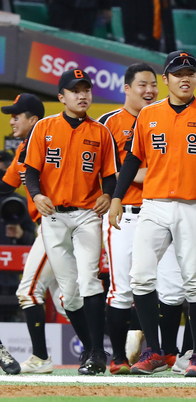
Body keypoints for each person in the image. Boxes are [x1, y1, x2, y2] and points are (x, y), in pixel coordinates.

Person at [109, 51, 196, 377]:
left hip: (194, 206)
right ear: (165, 79)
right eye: (178, 73)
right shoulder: (149, 114)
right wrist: (116, 197)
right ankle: (154, 351)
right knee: (140, 276)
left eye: (190, 73)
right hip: (154, 205)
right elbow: (132, 160)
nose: (185, 78)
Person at [25, 69, 118, 375]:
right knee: (69, 292)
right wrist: (36, 195)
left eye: (86, 90)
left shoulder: (101, 132)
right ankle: (91, 349)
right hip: (53, 217)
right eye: (75, 90)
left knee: (89, 278)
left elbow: (109, 175)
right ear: (61, 96)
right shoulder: (44, 127)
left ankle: (96, 353)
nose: (82, 95)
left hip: (86, 215)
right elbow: (31, 171)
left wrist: (109, 194)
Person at [97, 62, 185, 375]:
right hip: (126, 213)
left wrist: (150, 173)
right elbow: (111, 170)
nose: (149, 90)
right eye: (142, 85)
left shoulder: (165, 117)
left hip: (161, 211)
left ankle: (168, 352)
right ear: (127, 88)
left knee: (172, 286)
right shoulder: (109, 122)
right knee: (122, 287)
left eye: (152, 85)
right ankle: (118, 357)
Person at [0, 93, 68, 374]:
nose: (12, 120)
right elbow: (6, 185)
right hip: (52, 226)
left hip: (61, 224)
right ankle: (113, 345)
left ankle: (41, 357)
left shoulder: (51, 143)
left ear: (34, 120)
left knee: (28, 291)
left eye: (17, 115)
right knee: (68, 301)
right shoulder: (23, 148)